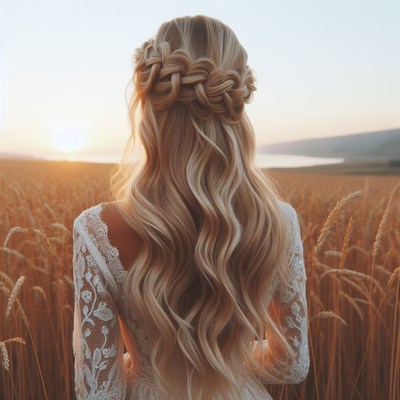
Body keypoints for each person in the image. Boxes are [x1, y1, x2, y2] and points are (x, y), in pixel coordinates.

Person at [72, 15, 309, 400]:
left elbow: (98, 392)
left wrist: (145, 369)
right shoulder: (279, 221)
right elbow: (292, 364)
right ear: (235, 105)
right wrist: (221, 363)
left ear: (149, 102)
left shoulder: (98, 229)